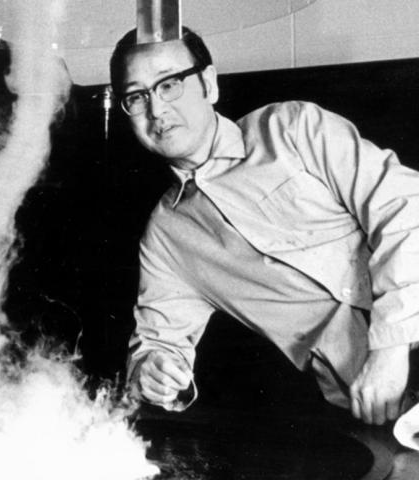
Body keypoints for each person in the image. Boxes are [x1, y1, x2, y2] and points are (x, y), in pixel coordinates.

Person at [109, 26, 419, 425]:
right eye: (136, 96)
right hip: (382, 416)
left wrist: (390, 349)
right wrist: (153, 372)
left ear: (208, 83)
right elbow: (156, 345)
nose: (157, 110)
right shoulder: (167, 237)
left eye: (169, 85)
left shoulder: (292, 128)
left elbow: (407, 209)